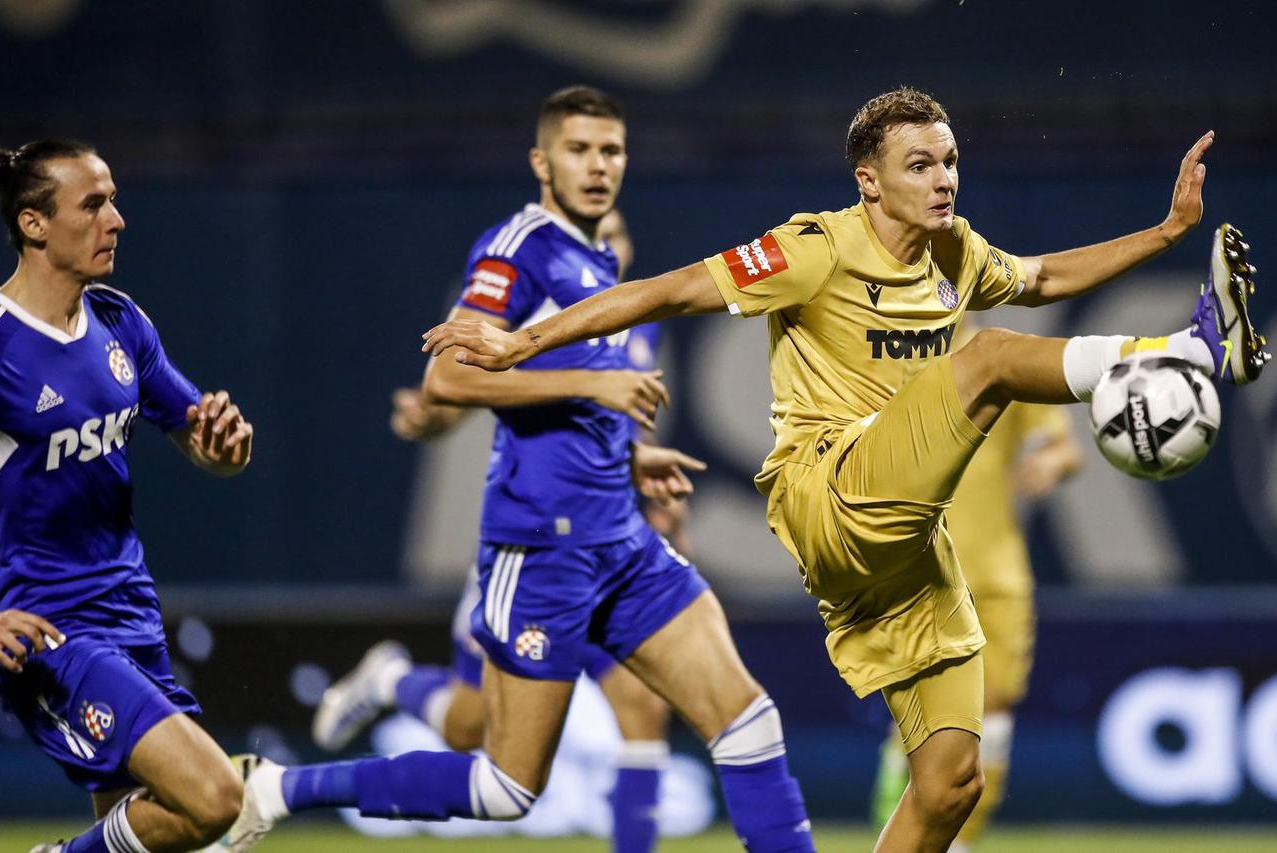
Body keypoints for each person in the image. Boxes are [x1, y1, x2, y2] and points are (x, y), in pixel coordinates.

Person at [420, 86, 1268, 852]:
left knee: (950, 783)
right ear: (869, 180)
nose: (944, 180)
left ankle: (1191, 349)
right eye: (919, 165)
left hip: (906, 543)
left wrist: (1166, 233)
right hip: (826, 491)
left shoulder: (954, 252)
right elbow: (667, 290)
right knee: (990, 359)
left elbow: (1042, 276)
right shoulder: (815, 248)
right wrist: (523, 340)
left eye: (950, 161)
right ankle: (1193, 350)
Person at [223, 87, 815, 853]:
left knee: (747, 720)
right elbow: (447, 377)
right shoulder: (519, 248)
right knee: (503, 784)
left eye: (611, 151)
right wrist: (592, 388)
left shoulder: (598, 257)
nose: (597, 166)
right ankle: (274, 788)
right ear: (542, 162)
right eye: (579, 150)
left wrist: (629, 454)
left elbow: (566, 402)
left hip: (621, 541)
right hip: (541, 549)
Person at [313, 208, 683, 852]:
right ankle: (391, 680)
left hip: (610, 548)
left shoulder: (636, 325)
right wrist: (430, 417)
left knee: (645, 706)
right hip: (531, 548)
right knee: (469, 726)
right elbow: (460, 392)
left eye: (616, 238)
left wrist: (653, 495)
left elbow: (615, 433)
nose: (607, 250)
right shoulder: (537, 319)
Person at [0, 140, 254, 853]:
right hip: (50, 628)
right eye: (92, 205)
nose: (116, 220)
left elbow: (199, 435)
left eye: (112, 200)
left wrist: (226, 448)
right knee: (217, 797)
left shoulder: (120, 321)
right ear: (34, 224)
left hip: (132, 614)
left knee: (147, 834)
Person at [868, 319, 1083, 850]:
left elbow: (1064, 447)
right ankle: (900, 834)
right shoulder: (890, 355)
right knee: (924, 728)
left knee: (996, 716)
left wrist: (1050, 462)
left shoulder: (1003, 355)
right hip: (919, 571)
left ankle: (958, 845)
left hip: (998, 573)